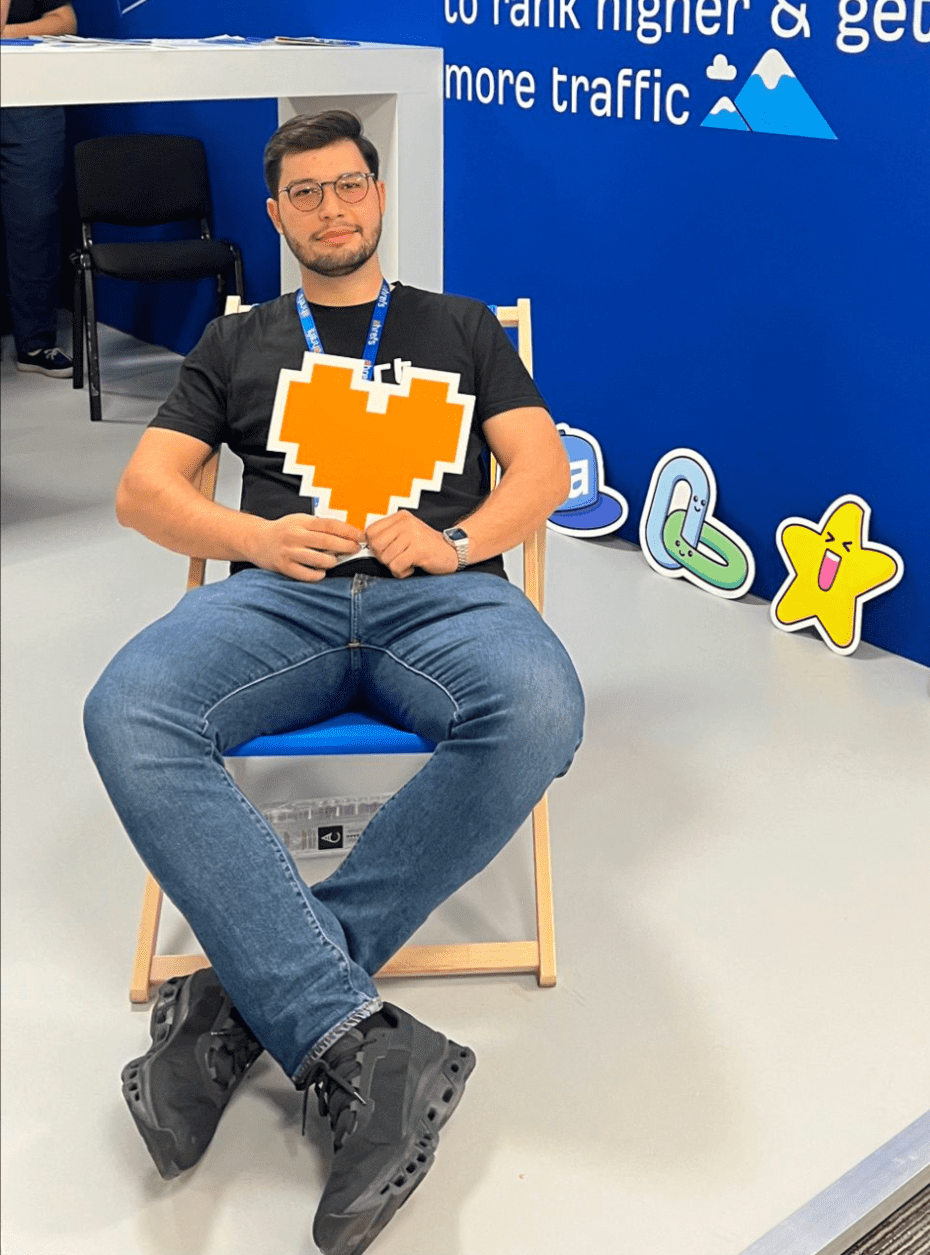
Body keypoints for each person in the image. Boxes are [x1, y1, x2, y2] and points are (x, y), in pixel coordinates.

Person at [84, 108, 582, 1254]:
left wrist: (454, 546)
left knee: (542, 707)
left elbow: (540, 467)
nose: (331, 209)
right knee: (128, 708)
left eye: (347, 186)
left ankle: (239, 1001)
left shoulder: (458, 326)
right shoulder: (239, 339)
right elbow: (144, 492)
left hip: (441, 597)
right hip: (284, 595)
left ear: (376, 192)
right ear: (276, 215)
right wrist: (255, 540)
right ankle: (360, 1043)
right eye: (304, 194)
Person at [0, 0, 76, 376]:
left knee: (35, 217)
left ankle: (35, 342)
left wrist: (7, 32)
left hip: (29, 105)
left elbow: (66, 23)